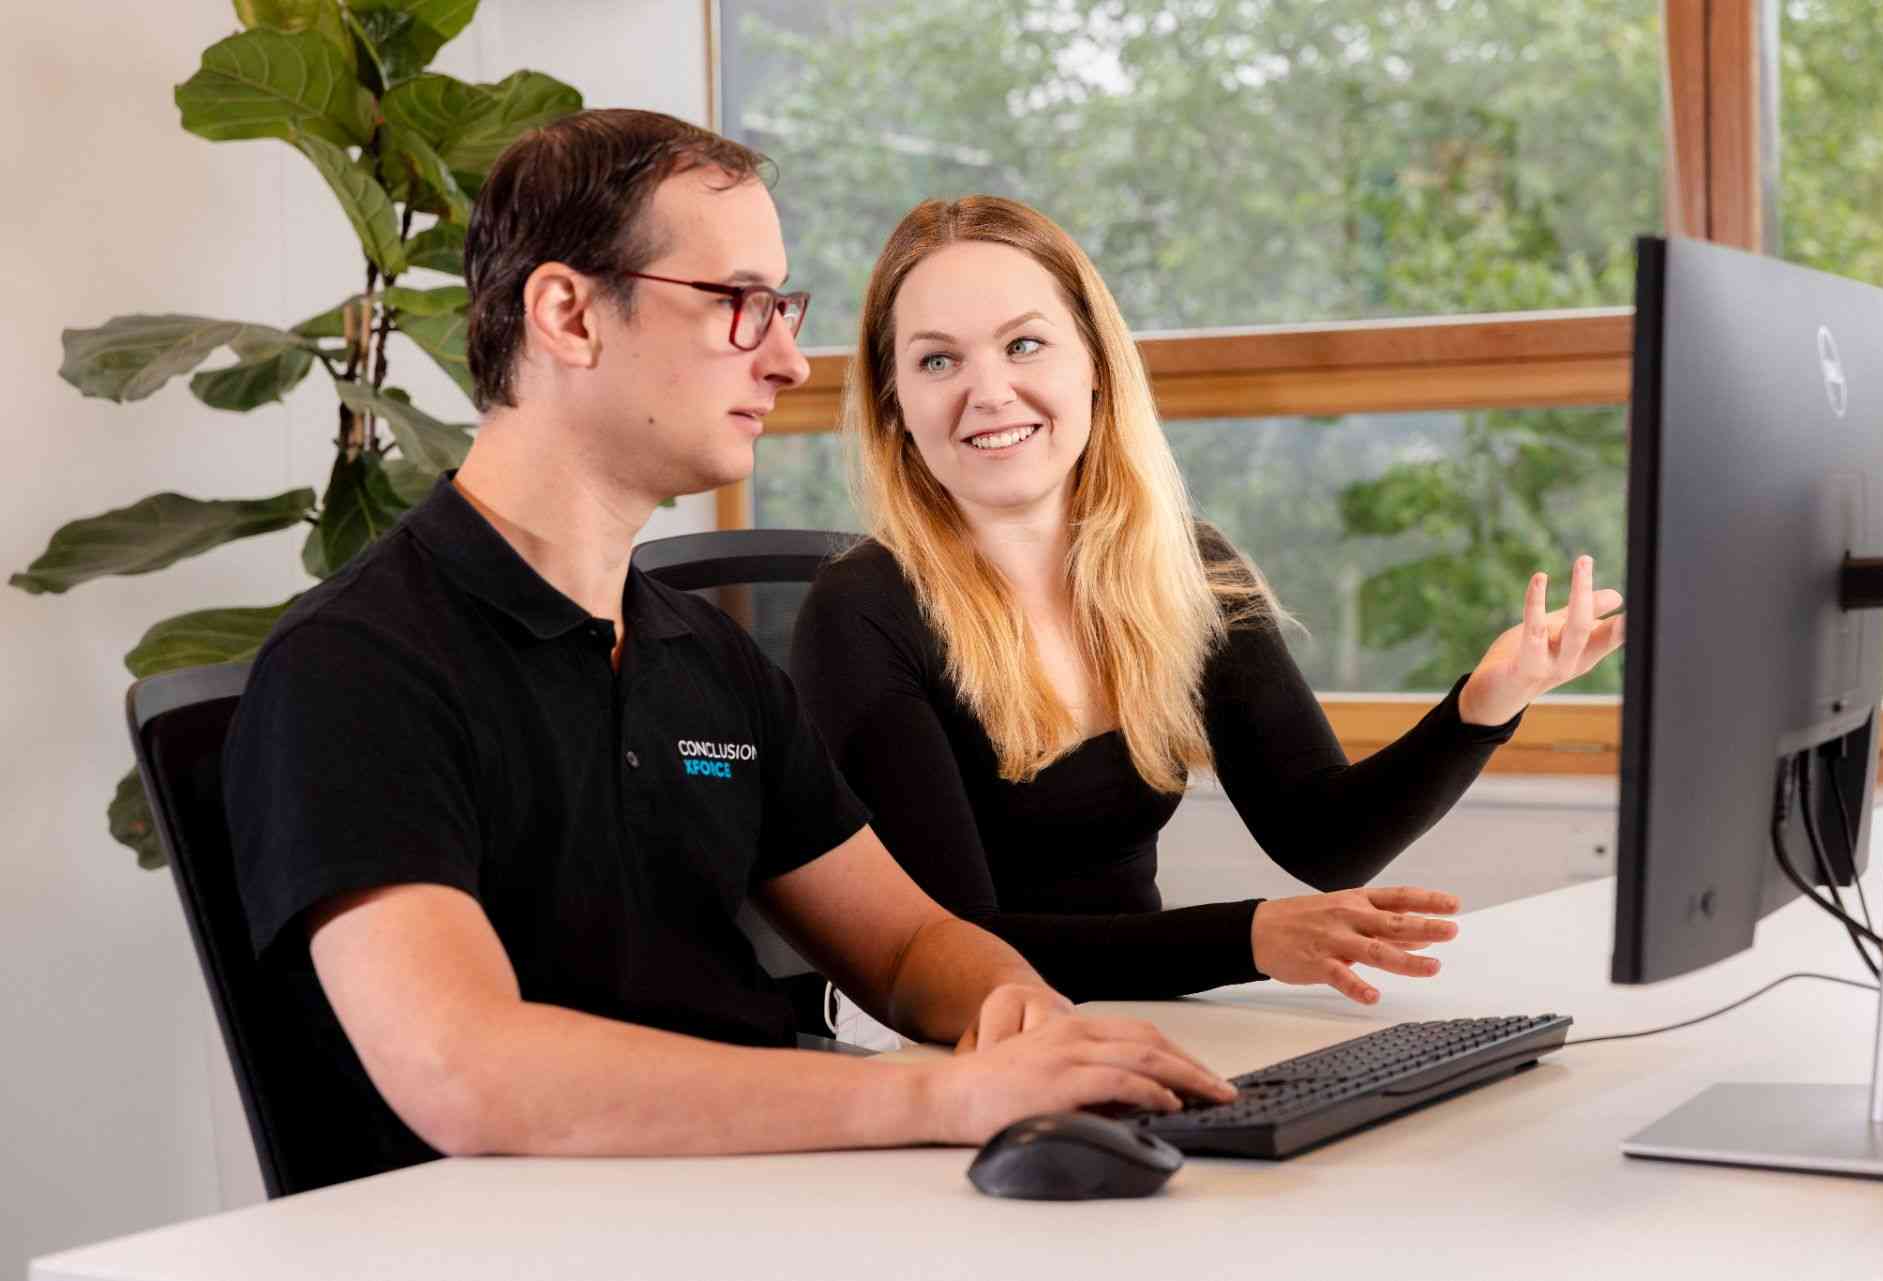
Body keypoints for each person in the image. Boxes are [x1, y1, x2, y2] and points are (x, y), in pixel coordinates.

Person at [222, 113, 1238, 1191]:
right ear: (567, 312)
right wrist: (939, 1098)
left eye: (783, 309)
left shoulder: (704, 658)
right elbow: (467, 1071)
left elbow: (903, 950)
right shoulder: (356, 669)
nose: (792, 360)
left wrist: (1021, 1017)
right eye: (741, 306)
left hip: (763, 1200)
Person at [789, 195, 1625, 1010]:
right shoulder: (861, 612)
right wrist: (1251, 940)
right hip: (966, 1052)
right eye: (939, 360)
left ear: (1094, 364)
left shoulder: (1184, 567)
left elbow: (1326, 839)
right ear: (895, 402)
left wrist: (1489, 702)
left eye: (1025, 345)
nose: (990, 390)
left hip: (1139, 1026)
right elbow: (959, 952)